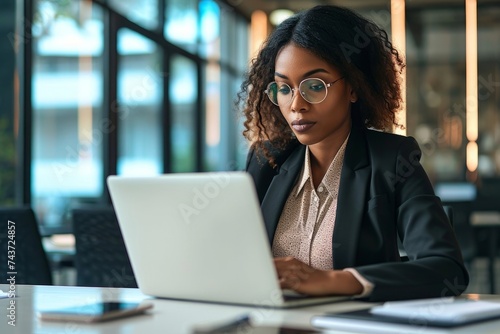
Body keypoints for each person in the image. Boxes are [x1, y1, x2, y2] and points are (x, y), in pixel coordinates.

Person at [238, 5, 469, 302]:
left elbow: (447, 270)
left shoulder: (393, 160)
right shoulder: (265, 162)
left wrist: (334, 280)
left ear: (353, 88)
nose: (296, 105)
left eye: (314, 85)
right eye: (284, 88)